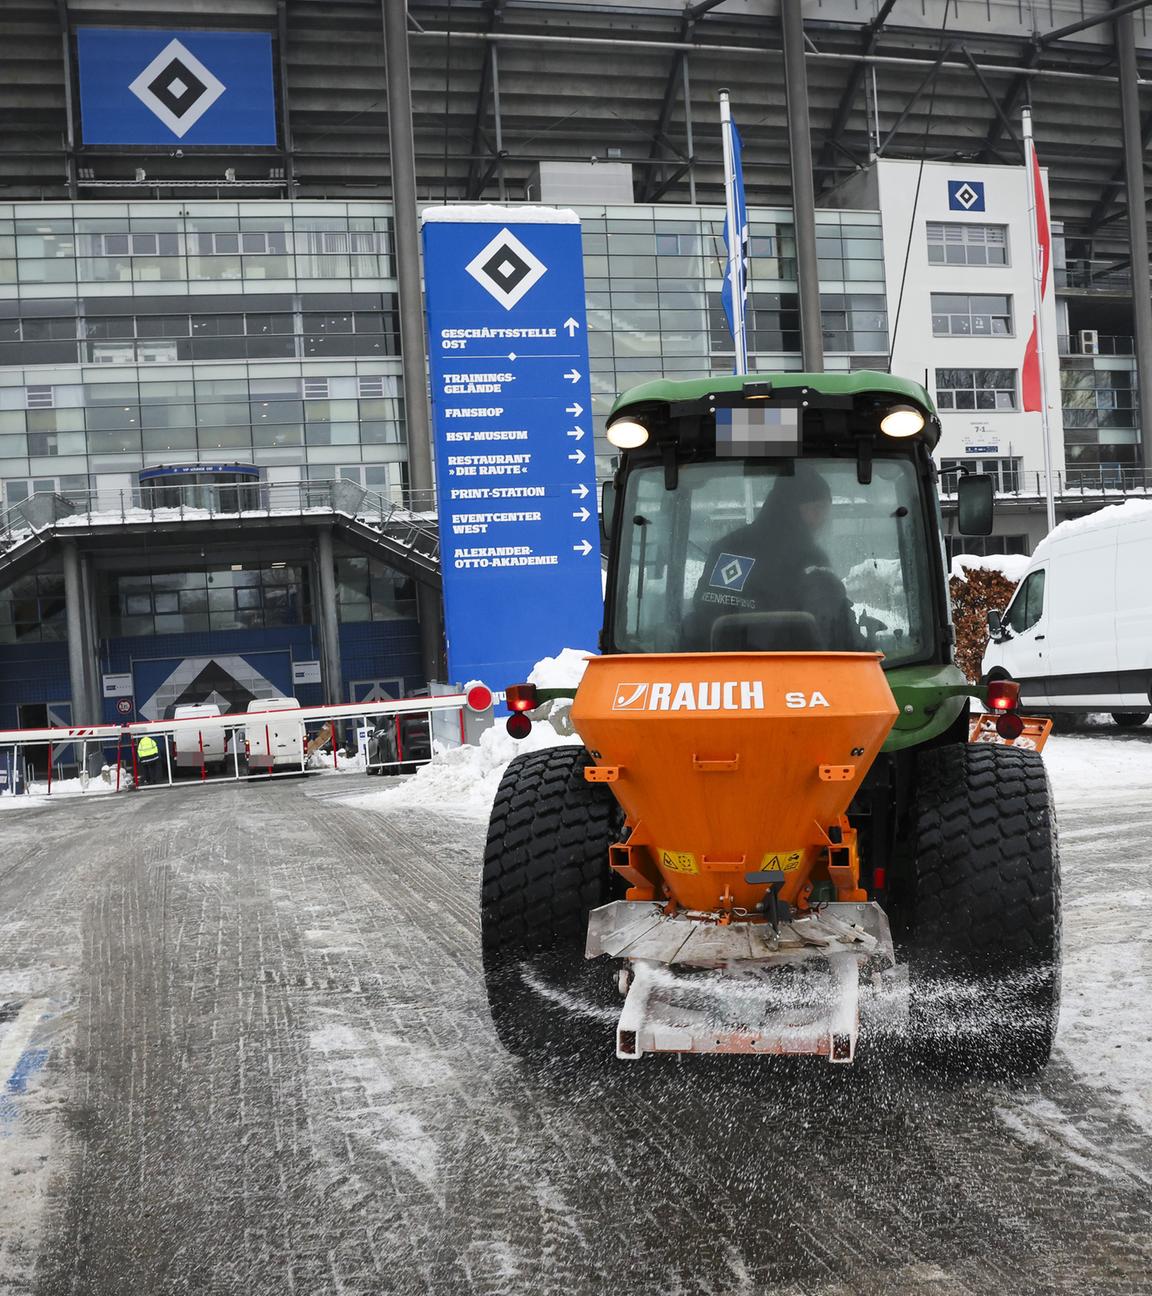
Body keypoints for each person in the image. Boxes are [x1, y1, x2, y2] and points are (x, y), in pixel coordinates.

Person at [688, 463, 864, 652]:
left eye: (825, 510)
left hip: (726, 665)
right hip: (797, 663)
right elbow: (835, 624)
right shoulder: (810, 559)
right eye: (817, 509)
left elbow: (704, 616)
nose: (822, 519)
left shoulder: (730, 547)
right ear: (791, 507)